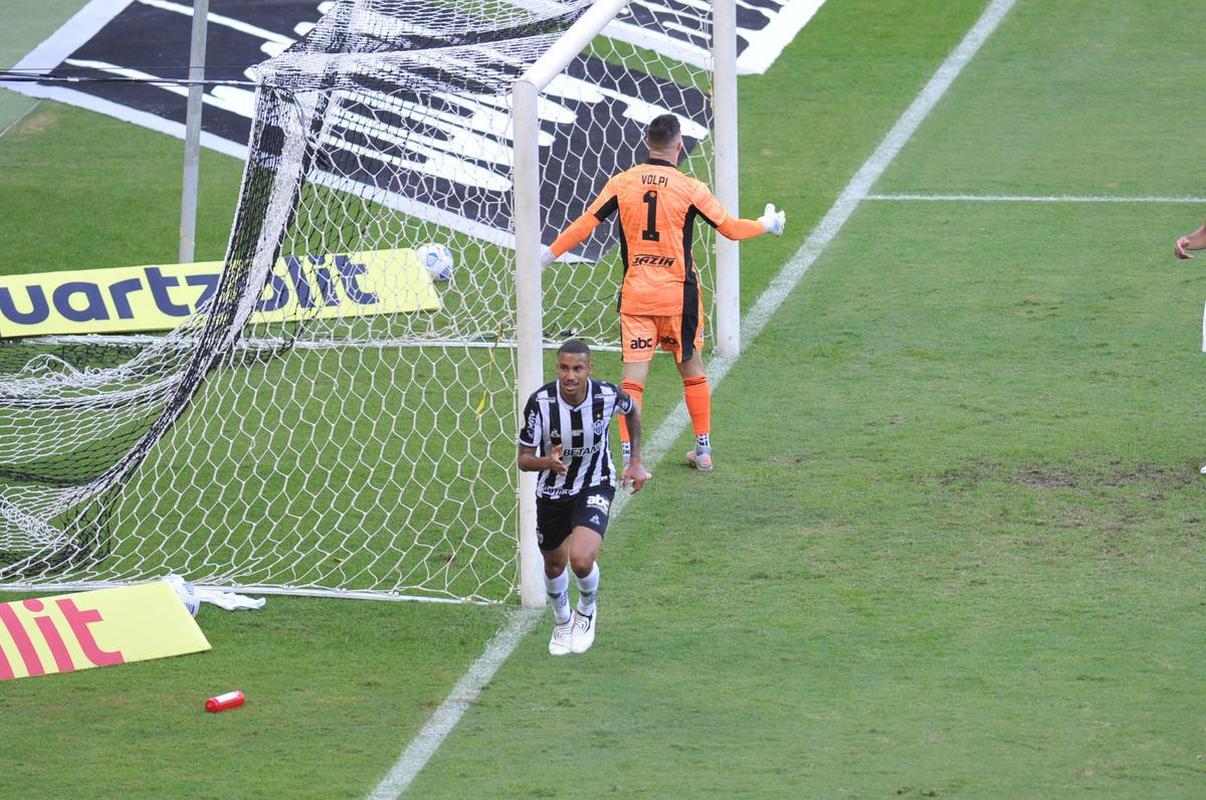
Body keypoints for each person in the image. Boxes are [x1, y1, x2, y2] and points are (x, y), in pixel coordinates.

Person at [541, 113, 786, 473]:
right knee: (691, 369)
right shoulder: (690, 187)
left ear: (646, 143)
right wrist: (768, 224)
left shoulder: (622, 183)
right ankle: (703, 451)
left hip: (638, 296)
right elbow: (731, 230)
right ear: (680, 144)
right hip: (679, 297)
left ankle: (630, 459)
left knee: (632, 384)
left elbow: (585, 224)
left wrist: (545, 257)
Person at [518, 339, 650, 655]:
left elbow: (631, 411)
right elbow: (523, 459)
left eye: (577, 368)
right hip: (551, 491)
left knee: (581, 558)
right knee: (553, 566)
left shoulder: (606, 395)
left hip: (595, 483)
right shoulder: (541, 403)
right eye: (564, 367)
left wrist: (634, 461)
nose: (570, 375)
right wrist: (547, 462)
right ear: (557, 369)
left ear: (589, 368)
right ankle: (563, 620)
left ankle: (587, 609)